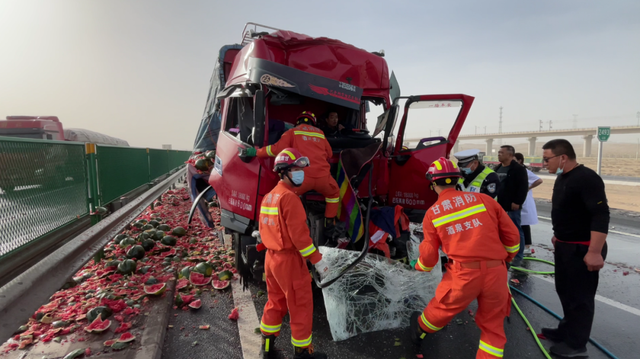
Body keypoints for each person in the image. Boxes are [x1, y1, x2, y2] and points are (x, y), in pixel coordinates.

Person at [409, 157, 520, 359]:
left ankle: (420, 330)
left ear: (433, 183)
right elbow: (513, 238)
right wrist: (506, 259)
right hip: (496, 272)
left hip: (463, 275)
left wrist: (419, 266)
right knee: (493, 326)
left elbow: (429, 257)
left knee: (441, 309)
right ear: (457, 179)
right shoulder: (485, 201)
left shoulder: (433, 214)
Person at [257, 148, 330, 359]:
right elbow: (300, 238)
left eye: (301, 169)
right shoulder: (290, 199)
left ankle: (268, 349)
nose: (301, 173)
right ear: (284, 172)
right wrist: (317, 261)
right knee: (300, 305)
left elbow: (264, 231)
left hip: (271, 258)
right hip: (288, 260)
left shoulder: (269, 197)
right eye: (296, 169)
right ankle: (302, 353)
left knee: (275, 302)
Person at [540, 139, 609, 358]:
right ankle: (566, 331)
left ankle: (577, 345)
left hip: (583, 248)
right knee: (565, 291)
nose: (544, 163)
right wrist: (558, 235)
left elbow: (600, 215)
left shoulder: (587, 178)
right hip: (564, 245)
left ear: (563, 157)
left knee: (580, 298)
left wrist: (595, 252)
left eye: (546, 159)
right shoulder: (563, 178)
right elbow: (567, 210)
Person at [240, 111, 341, 239]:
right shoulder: (320, 134)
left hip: (302, 178)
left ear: (298, 122)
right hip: (323, 179)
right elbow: (330, 154)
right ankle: (329, 224)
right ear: (313, 122)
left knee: (287, 198)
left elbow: (276, 149)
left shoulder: (292, 132)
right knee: (333, 194)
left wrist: (256, 152)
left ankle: (291, 226)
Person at [494, 145, 529, 266]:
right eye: (498, 152)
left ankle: (518, 255)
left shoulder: (518, 169)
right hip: (499, 205)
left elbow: (523, 187)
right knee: (500, 230)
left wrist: (518, 202)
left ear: (510, 155)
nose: (499, 154)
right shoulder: (497, 168)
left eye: (501, 152)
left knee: (515, 229)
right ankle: (504, 252)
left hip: (512, 205)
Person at [514, 153, 543, 255]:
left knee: (524, 224)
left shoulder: (524, 171)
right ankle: (519, 245)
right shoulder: (513, 170)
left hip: (524, 201)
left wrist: (527, 188)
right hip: (516, 200)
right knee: (517, 224)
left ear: (520, 160)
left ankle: (526, 246)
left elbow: (539, 180)